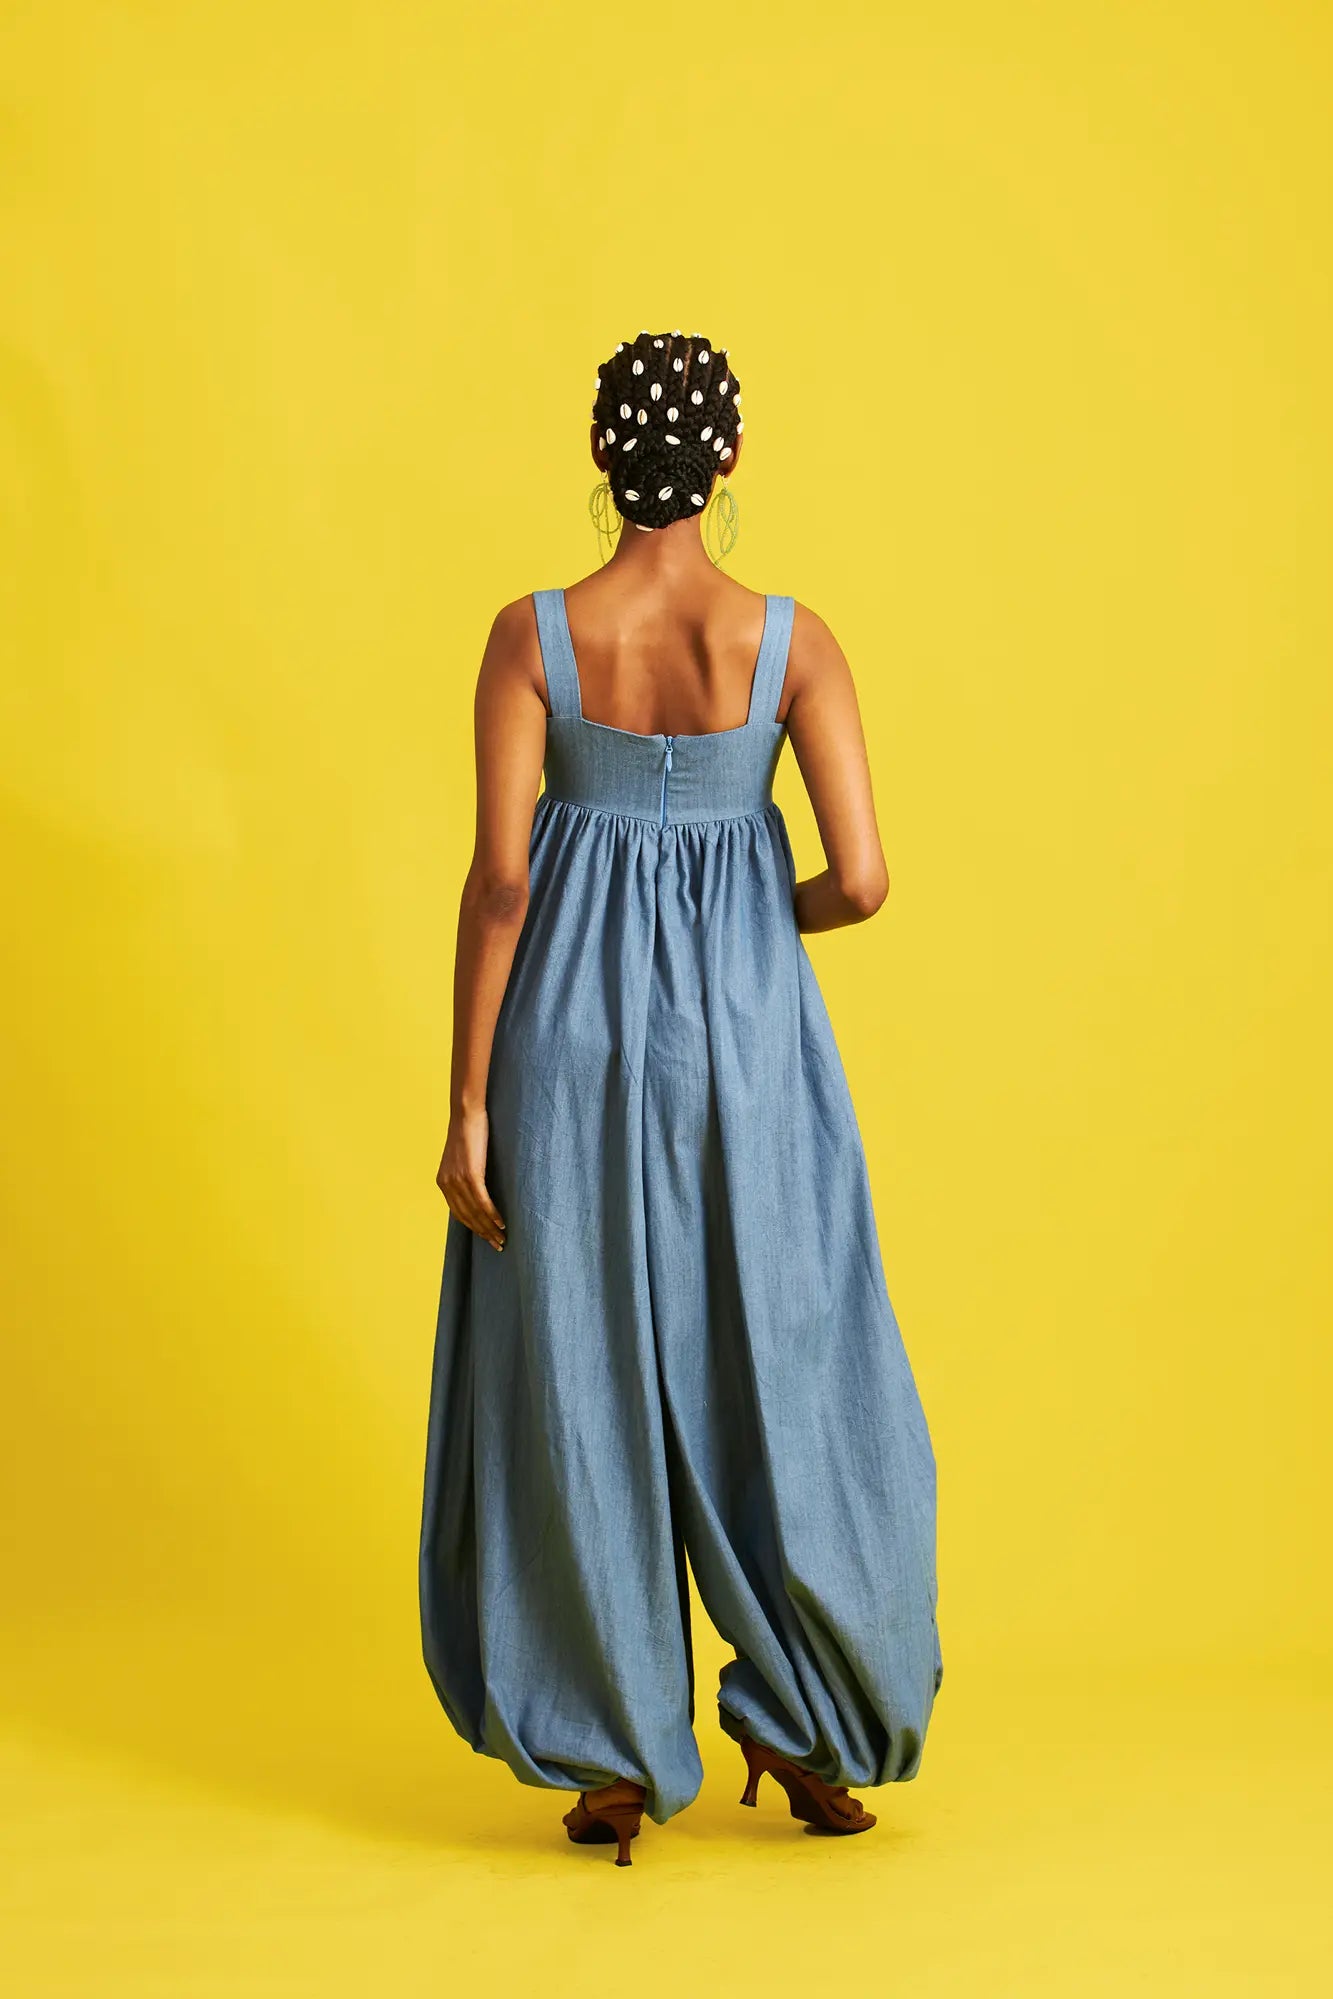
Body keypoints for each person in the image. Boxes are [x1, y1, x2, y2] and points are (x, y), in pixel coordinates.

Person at [420, 328, 942, 1868]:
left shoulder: (532, 636)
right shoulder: (792, 643)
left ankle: (608, 1755)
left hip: (564, 1039)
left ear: (601, 455)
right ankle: (806, 1717)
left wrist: (466, 1103)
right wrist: (749, 914)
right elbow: (862, 879)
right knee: (784, 1357)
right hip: (750, 1044)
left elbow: (502, 879)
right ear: (727, 460)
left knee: (575, 1366)